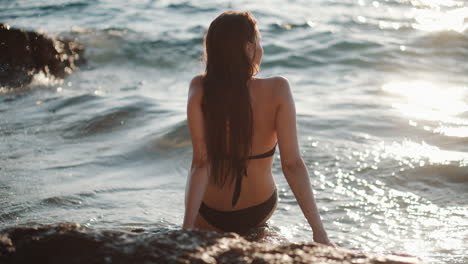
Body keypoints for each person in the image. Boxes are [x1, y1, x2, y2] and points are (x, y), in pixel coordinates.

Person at [182, 11, 332, 245]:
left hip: (210, 211)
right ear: (249, 48)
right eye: (259, 42)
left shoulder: (199, 87)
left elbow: (201, 164)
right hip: (258, 210)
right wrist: (319, 233)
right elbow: (292, 165)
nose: (261, 49)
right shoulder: (278, 89)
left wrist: (186, 230)